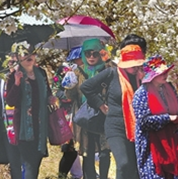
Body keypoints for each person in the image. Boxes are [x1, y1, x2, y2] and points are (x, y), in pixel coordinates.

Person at [81, 43, 146, 179]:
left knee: (135, 167)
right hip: (115, 125)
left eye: (138, 64)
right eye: (133, 65)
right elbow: (86, 87)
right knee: (123, 164)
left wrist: (144, 80)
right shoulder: (112, 73)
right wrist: (101, 105)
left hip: (138, 127)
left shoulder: (143, 77)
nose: (135, 68)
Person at [5, 42, 56, 179]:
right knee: (29, 164)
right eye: (25, 53)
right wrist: (16, 82)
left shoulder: (41, 73)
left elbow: (47, 94)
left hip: (41, 125)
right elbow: (10, 101)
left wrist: (51, 99)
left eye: (32, 53)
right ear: (18, 57)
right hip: (23, 128)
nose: (29, 56)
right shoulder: (13, 75)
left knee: (36, 161)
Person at [133, 55, 178, 179]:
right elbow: (143, 121)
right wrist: (167, 118)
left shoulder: (169, 88)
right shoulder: (142, 94)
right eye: (160, 73)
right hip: (151, 143)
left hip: (170, 140)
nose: (164, 75)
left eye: (165, 72)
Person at [73, 38, 111, 179]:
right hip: (85, 116)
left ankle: (103, 177)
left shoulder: (108, 69)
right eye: (88, 53)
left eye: (95, 54)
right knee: (87, 151)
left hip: (103, 114)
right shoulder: (78, 72)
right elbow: (71, 96)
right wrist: (68, 87)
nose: (91, 57)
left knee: (104, 150)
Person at [54, 47, 83, 179]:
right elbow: (55, 88)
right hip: (67, 112)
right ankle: (62, 175)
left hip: (81, 110)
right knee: (69, 146)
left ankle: (78, 173)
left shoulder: (85, 70)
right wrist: (66, 97)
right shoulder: (63, 69)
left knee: (79, 146)